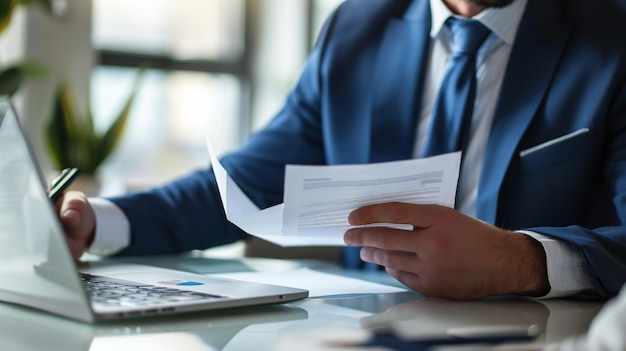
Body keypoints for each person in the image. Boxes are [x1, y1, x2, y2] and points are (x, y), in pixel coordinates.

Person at [57, 0, 626, 300]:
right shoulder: (358, 26)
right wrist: (99, 221)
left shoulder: (613, 35)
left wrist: (518, 262)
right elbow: (249, 185)